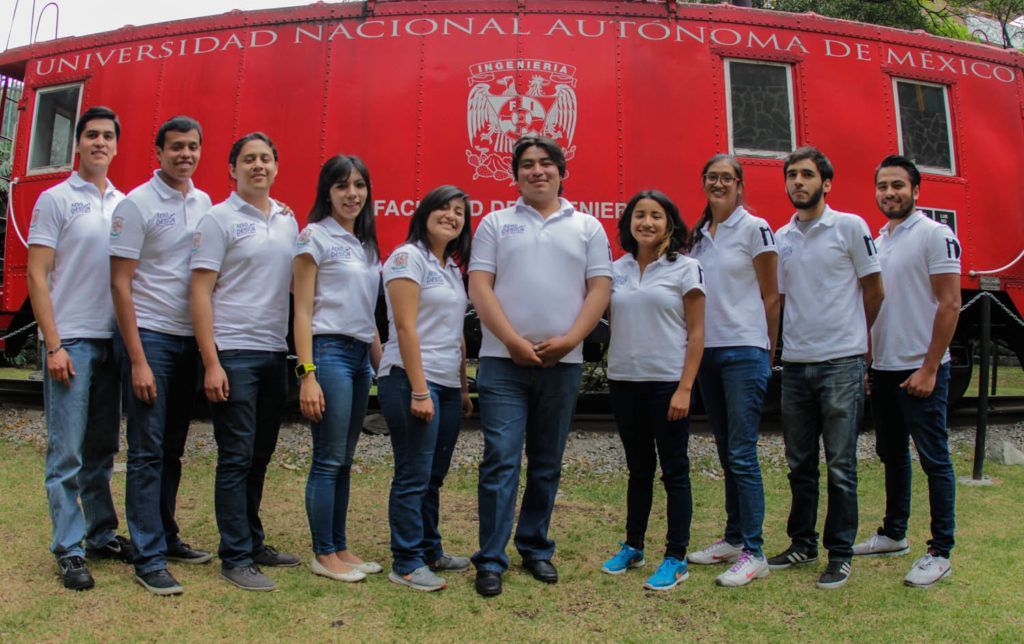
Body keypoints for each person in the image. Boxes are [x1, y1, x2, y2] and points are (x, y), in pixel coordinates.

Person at [469, 136, 612, 597]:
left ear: (561, 172)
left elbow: (599, 289)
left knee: (547, 464)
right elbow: (480, 286)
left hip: (563, 364)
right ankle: (490, 559)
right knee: (501, 462)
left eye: (546, 164)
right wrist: (511, 341)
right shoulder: (495, 223)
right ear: (515, 176)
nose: (537, 171)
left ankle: (535, 548)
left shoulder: (588, 227)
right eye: (527, 165)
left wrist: (571, 340)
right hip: (502, 363)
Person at [27, 106, 134, 591]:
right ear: (78, 143)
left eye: (107, 136)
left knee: (102, 448)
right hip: (70, 340)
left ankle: (100, 533)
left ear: (116, 145)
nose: (99, 142)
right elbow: (37, 275)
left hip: (111, 341)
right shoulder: (55, 199)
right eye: (90, 135)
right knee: (66, 452)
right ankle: (68, 549)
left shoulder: (122, 203)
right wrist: (53, 344)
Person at [767, 146, 884, 589]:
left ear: (826, 183)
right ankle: (802, 543)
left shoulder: (850, 227)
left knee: (840, 465)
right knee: (799, 464)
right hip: (796, 365)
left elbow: (874, 289)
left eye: (807, 175)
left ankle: (839, 553)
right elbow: (778, 300)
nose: (798, 182)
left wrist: (856, 340)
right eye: (792, 175)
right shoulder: (782, 238)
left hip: (841, 364)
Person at [189, 132, 299, 592]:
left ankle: (252, 541)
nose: (259, 166)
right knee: (235, 457)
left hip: (274, 353)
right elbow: (198, 291)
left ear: (276, 166)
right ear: (232, 169)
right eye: (249, 160)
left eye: (266, 159)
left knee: (260, 455)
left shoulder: (288, 219)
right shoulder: (218, 220)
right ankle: (234, 556)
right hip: (233, 352)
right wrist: (211, 362)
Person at [109, 115, 214, 596]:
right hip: (150, 338)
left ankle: (166, 535)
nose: (185, 154)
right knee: (147, 452)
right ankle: (146, 555)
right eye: (176, 147)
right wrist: (137, 359)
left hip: (188, 340)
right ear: (158, 151)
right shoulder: (136, 205)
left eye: (192, 147)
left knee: (171, 449)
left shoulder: (204, 202)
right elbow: (120, 283)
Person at [853, 155, 961, 588]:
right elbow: (877, 307)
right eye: (882, 186)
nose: (889, 193)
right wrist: (868, 362)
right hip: (883, 369)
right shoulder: (879, 240)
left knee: (934, 459)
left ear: (917, 190)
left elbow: (950, 303)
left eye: (898, 185)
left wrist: (930, 367)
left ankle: (940, 551)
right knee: (891, 454)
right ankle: (894, 534)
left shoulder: (936, 235)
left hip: (921, 369)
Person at [599, 190, 705, 591]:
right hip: (625, 381)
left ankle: (676, 557)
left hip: (667, 385)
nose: (646, 222)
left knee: (675, 472)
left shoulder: (687, 269)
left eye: (656, 216)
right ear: (628, 224)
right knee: (638, 469)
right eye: (639, 215)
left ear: (670, 224)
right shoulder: (616, 269)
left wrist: (685, 388)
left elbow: (697, 334)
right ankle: (633, 545)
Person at [685, 154, 779, 587]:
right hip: (711, 353)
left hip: (745, 350)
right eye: (712, 178)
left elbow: (771, 295)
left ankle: (754, 551)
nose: (718, 184)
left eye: (726, 178)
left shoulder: (755, 228)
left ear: (740, 184)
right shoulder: (700, 235)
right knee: (726, 449)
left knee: (742, 453)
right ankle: (735, 536)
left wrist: (768, 349)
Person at [378, 185, 474, 592]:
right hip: (410, 379)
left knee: (433, 474)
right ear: (425, 212)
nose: (451, 216)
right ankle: (405, 561)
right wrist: (420, 389)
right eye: (443, 208)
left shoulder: (450, 267)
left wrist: (462, 385)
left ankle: (430, 548)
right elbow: (404, 326)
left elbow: (456, 331)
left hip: (446, 383)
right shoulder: (407, 257)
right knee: (413, 474)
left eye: (459, 212)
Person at [293, 155, 382, 584]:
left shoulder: (366, 243)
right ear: (326, 191)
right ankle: (322, 553)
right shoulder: (314, 237)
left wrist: (383, 364)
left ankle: (341, 546)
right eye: (343, 186)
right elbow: (302, 309)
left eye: (360, 185)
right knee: (328, 459)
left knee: (345, 459)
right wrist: (306, 373)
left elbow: (368, 313)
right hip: (327, 354)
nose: (352, 194)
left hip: (360, 356)